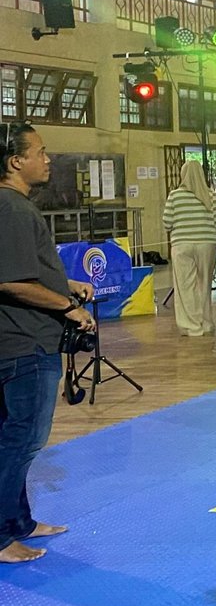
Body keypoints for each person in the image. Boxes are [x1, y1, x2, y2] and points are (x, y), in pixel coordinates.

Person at [0, 123, 94, 564]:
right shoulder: (12, 208)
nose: (47, 158)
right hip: (25, 344)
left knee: (14, 439)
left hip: (22, 341)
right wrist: (68, 307)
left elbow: (26, 268)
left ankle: (19, 521)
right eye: (39, 151)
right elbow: (11, 281)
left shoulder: (15, 208)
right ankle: (3, 536)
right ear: (16, 161)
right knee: (22, 442)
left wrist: (65, 283)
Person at [162, 160, 216, 337]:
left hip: (182, 245)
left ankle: (193, 326)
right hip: (207, 244)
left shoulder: (175, 196)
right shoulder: (211, 195)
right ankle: (206, 323)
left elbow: (167, 222)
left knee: (185, 287)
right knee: (205, 285)